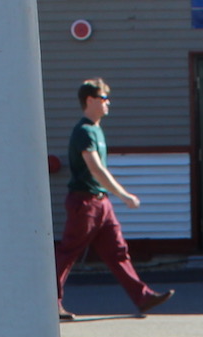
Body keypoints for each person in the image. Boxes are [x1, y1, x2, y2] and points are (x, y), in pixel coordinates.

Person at [54, 79, 174, 321]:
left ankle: (143, 297)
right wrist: (124, 195)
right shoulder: (84, 131)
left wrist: (112, 196)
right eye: (103, 98)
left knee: (118, 252)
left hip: (101, 203)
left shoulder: (96, 130)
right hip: (84, 202)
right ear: (90, 100)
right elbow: (96, 169)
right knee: (68, 253)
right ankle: (49, 303)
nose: (108, 103)